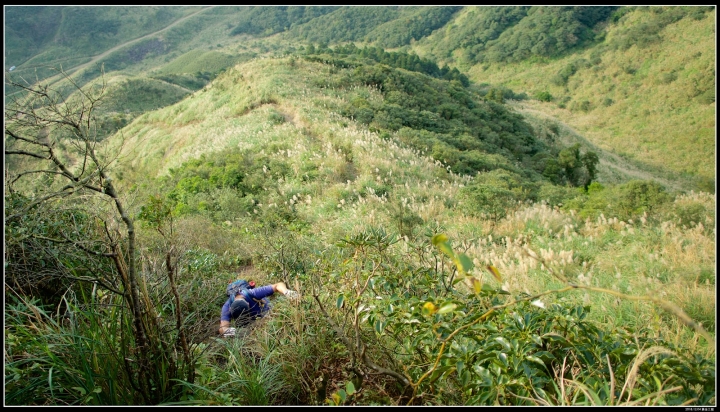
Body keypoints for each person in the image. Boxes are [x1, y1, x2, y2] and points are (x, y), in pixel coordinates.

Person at [218, 280, 299, 336]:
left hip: (264, 311)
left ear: (248, 303)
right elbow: (222, 329)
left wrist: (287, 292)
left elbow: (278, 285)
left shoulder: (253, 293)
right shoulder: (226, 306)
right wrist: (234, 332)